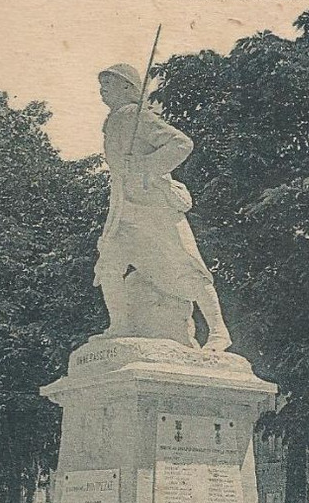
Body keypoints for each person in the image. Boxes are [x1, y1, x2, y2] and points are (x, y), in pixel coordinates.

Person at [94, 63, 232, 352]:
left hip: (155, 206)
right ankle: (120, 325)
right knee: (109, 264)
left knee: (187, 266)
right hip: (124, 209)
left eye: (109, 83)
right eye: (101, 83)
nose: (102, 88)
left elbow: (181, 143)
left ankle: (219, 331)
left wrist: (146, 166)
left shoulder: (134, 115)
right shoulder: (114, 120)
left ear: (128, 88)